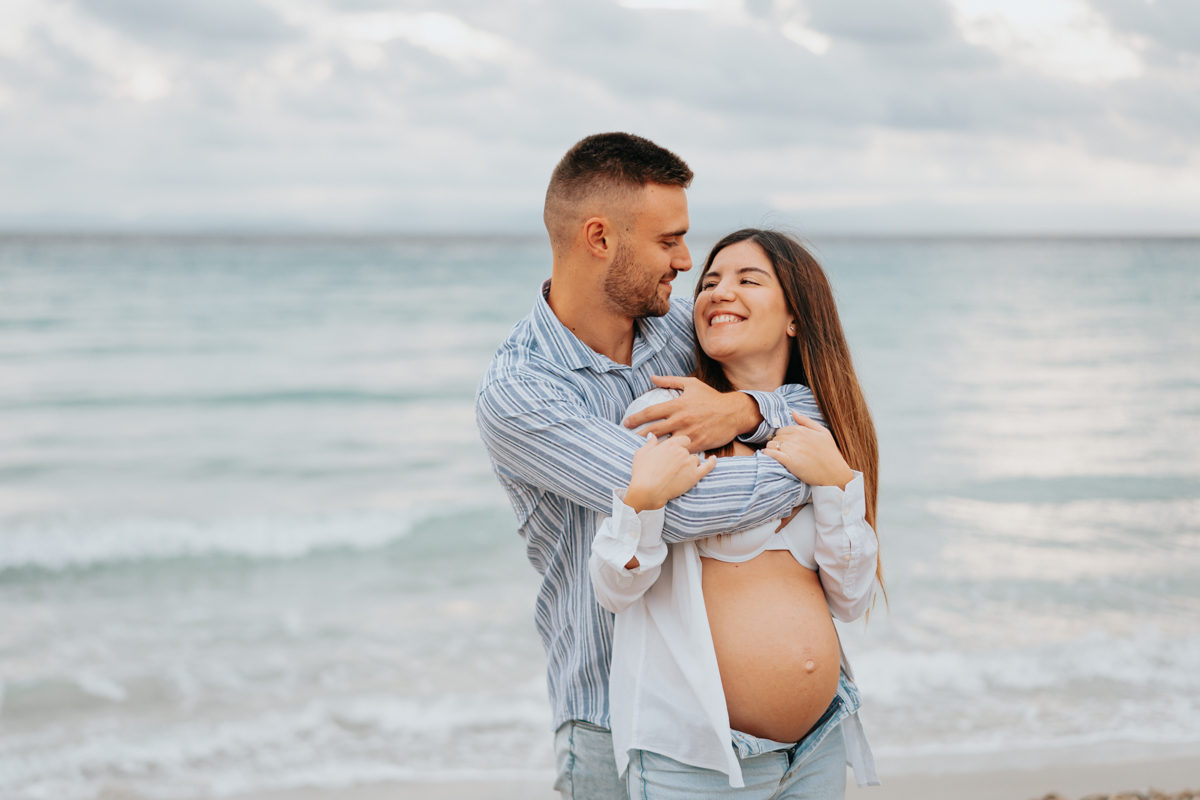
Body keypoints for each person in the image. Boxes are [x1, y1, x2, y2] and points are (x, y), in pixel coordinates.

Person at [476, 134, 824, 800]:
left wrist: (747, 412)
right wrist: (815, 469)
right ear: (600, 238)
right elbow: (685, 509)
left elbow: (814, 395)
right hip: (609, 718)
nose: (688, 262)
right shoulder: (521, 391)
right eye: (669, 241)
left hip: (718, 711)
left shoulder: (678, 329)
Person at [588, 228, 882, 798]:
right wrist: (640, 503)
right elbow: (614, 591)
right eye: (710, 282)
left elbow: (851, 597)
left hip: (819, 746)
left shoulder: (818, 430)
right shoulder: (666, 415)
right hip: (697, 760)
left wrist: (838, 484)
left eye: (748, 280)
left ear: (796, 316)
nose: (719, 292)